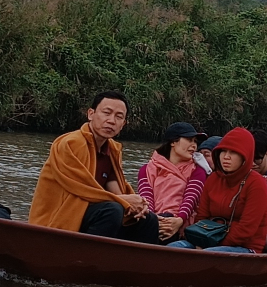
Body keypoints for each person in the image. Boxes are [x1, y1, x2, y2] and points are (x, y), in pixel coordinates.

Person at [29, 90, 167, 241]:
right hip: (60, 217)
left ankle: (135, 263)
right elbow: (81, 188)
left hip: (92, 214)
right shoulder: (70, 143)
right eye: (106, 113)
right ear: (91, 114)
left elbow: (116, 189)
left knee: (148, 219)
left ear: (123, 124)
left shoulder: (112, 150)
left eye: (118, 117)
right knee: (112, 210)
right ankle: (85, 260)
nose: (111, 120)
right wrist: (124, 201)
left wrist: (137, 206)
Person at [193, 127, 267, 250]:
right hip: (208, 238)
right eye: (223, 151)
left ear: (245, 157)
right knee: (175, 247)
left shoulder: (257, 184)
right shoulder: (213, 179)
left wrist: (212, 244)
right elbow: (201, 216)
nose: (226, 157)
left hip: (244, 247)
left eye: (233, 152)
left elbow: (246, 230)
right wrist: (200, 239)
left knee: (208, 254)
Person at [137, 123, 208, 236]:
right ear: (173, 142)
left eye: (195, 141)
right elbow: (146, 198)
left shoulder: (198, 171)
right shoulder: (146, 170)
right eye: (189, 140)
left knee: (167, 220)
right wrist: (154, 220)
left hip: (182, 223)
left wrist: (179, 220)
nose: (194, 145)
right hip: (152, 219)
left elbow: (190, 199)